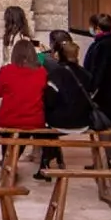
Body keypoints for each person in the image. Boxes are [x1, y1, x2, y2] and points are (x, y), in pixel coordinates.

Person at [35, 33, 98, 176]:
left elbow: (49, 101)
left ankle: (45, 161)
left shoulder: (55, 74)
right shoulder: (86, 75)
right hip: (84, 121)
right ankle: (54, 158)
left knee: (42, 125)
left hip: (60, 121)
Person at [0, 37, 48, 166]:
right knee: (23, 132)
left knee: (8, 128)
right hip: (33, 118)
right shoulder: (41, 72)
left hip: (9, 117)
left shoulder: (6, 70)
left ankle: (8, 160)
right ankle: (12, 160)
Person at [83, 11, 111, 168]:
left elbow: (98, 70)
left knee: (102, 124)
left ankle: (105, 159)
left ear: (97, 28)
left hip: (104, 92)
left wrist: (91, 89)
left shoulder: (101, 45)